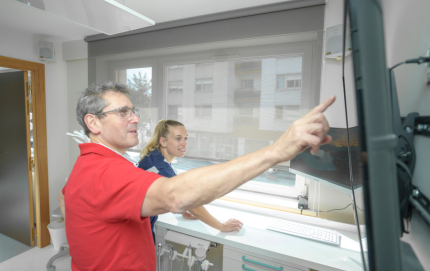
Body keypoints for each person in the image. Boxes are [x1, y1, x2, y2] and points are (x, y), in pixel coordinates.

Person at [60, 81, 335, 271]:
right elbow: (177, 195)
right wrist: (275, 152)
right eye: (123, 112)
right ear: (93, 122)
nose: (135, 119)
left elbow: (68, 200)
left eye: (134, 111)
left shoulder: (88, 164)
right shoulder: (106, 172)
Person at [138, 119, 243, 243]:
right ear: (163, 141)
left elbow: (164, 193)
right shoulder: (160, 168)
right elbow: (190, 202)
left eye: (185, 138)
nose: (184, 143)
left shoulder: (154, 156)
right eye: (178, 138)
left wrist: (182, 210)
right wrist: (221, 226)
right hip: (136, 231)